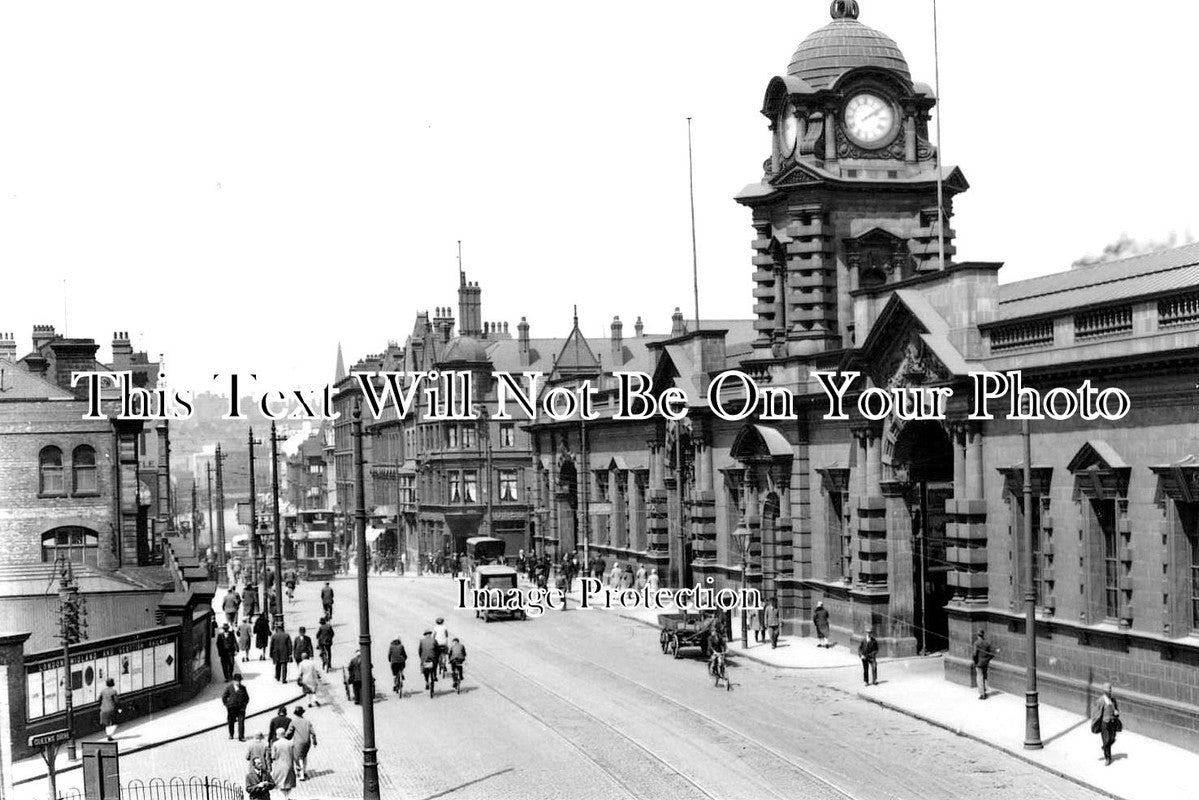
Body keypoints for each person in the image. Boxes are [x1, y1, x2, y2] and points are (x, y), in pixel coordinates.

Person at [1092, 683, 1121, 765]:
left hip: (1112, 722)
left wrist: (1116, 712)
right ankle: (1108, 758)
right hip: (1104, 723)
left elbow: (1117, 710)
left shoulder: (1113, 700)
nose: (1110, 692)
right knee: (1106, 740)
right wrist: (1096, 722)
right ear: (1104, 691)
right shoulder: (1100, 701)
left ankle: (1104, 747)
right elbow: (1096, 712)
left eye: (1110, 691)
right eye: (1108, 691)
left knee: (1113, 738)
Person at [287, 706, 317, 781]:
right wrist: (314, 741)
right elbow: (313, 733)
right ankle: (304, 771)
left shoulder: (293, 722)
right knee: (304, 756)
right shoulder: (307, 721)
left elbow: (289, 733)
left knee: (298, 758)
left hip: (298, 743)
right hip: (307, 742)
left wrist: (285, 738)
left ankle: (302, 775)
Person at [270, 730, 297, 799]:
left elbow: (273, 756)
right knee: (289, 783)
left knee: (280, 783)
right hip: (289, 765)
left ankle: (284, 797)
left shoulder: (275, 744)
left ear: (277, 735)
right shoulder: (290, 743)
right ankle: (287, 796)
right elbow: (295, 755)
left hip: (279, 766)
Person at [222, 673, 249, 741]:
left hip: (241, 709)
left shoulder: (243, 688)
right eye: (237, 681)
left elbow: (247, 698)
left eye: (240, 681)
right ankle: (231, 734)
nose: (239, 682)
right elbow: (224, 697)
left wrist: (244, 705)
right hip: (232, 708)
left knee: (241, 722)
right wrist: (227, 705)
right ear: (234, 681)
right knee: (231, 722)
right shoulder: (229, 688)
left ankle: (241, 736)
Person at [972, 629, 995, 699]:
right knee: (985, 677)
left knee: (979, 677)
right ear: (983, 635)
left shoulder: (976, 643)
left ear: (977, 635)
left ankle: (982, 694)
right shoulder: (987, 643)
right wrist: (988, 659)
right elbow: (992, 653)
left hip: (979, 663)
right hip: (985, 662)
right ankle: (985, 691)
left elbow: (974, 654)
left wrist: (974, 661)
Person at [418, 629, 438, 693]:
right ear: (430, 634)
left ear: (425, 635)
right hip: (433, 658)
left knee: (425, 670)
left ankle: (426, 681)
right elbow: (437, 649)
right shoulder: (434, 640)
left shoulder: (422, 641)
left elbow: (419, 651)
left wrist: (421, 657)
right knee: (434, 666)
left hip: (425, 658)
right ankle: (434, 676)